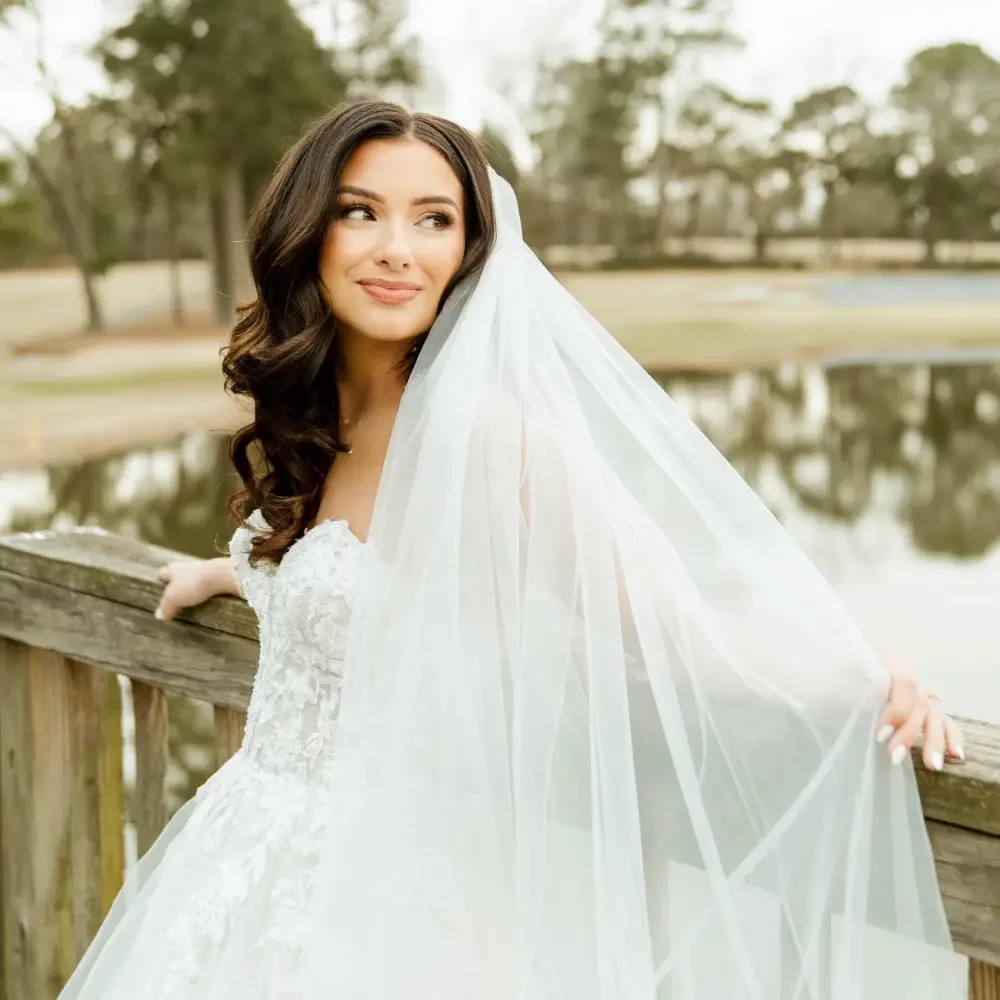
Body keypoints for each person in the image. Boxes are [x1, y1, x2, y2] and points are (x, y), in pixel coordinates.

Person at [60, 99, 968, 999]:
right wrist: (228, 572)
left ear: (470, 251)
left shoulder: (493, 443)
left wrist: (859, 679)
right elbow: (336, 575)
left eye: (434, 220)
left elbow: (674, 635)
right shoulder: (315, 421)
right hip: (245, 859)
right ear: (305, 231)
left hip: (390, 910)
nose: (397, 249)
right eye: (360, 211)